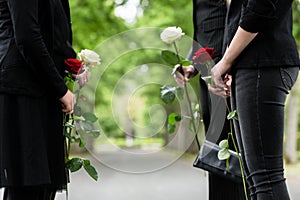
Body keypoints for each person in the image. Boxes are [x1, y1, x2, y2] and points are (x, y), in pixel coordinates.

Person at [208, 0, 300, 199]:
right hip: (251, 64)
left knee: (265, 178)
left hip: (262, 62)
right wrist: (230, 64)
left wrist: (226, 61)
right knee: (254, 180)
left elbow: (262, 5)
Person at [0, 0, 76, 199]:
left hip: (43, 89)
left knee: (42, 185)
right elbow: (26, 36)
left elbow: (55, 31)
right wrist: (61, 90)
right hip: (21, 90)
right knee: (27, 185)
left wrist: (74, 63)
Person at [175, 0, 247, 199]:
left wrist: (231, 65)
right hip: (209, 72)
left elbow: (238, 16)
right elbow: (206, 28)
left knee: (234, 153)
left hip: (227, 72)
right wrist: (192, 64)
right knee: (217, 154)